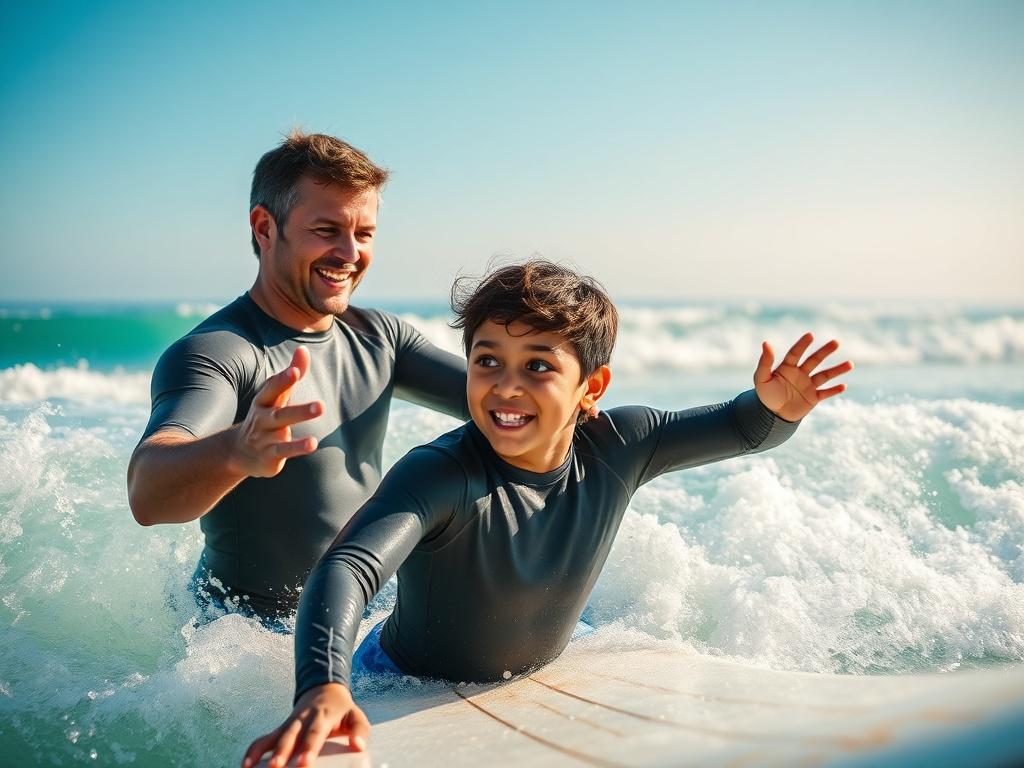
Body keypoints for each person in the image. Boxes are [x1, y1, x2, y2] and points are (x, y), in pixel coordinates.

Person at [242, 260, 853, 768]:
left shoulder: (623, 442)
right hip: (402, 677)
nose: (505, 387)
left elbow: (743, 428)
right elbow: (348, 567)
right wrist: (323, 684)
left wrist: (779, 408)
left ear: (592, 387)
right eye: (487, 361)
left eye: (538, 365)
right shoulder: (441, 471)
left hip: (563, 643)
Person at [126, 131, 469, 622]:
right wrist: (237, 449)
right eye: (327, 230)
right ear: (265, 228)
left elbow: (496, 401)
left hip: (365, 612)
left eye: (364, 234)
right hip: (253, 638)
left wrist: (569, 395)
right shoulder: (220, 353)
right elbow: (146, 493)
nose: (351, 254)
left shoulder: (381, 338)